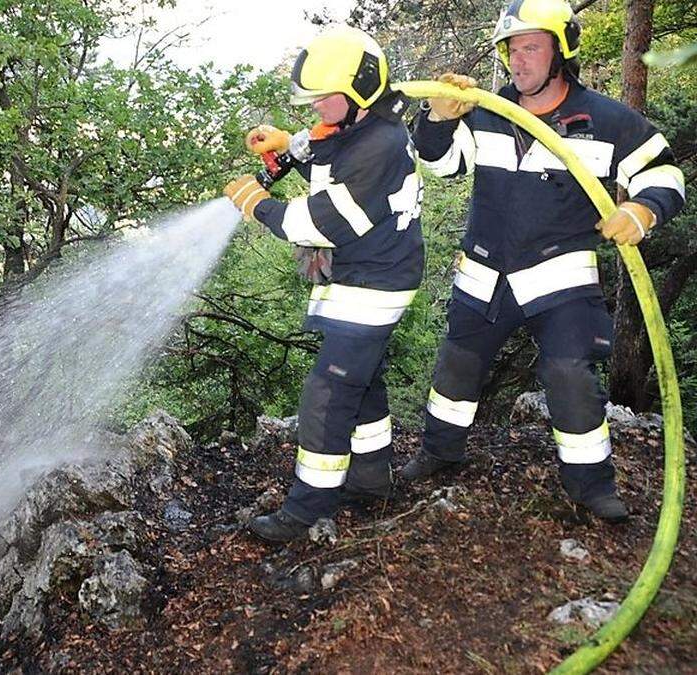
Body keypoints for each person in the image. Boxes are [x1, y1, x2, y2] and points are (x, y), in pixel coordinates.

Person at [401, 0, 686, 522]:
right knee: (457, 367)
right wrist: (438, 121)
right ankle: (440, 452)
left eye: (531, 46)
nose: (518, 60)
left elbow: (663, 175)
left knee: (570, 375)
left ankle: (592, 487)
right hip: (486, 273)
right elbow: (444, 166)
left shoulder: (606, 119)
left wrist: (642, 211)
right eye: (512, 49)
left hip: (561, 277)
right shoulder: (487, 109)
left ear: (562, 51)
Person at [223, 26, 425, 541]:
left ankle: (307, 508)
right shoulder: (362, 126)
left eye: (324, 97)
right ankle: (372, 477)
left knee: (328, 390)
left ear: (360, 90)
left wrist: (257, 204)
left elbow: (319, 222)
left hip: (375, 283)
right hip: (370, 273)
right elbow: (326, 150)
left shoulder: (381, 144)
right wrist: (284, 145)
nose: (316, 106)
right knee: (363, 379)